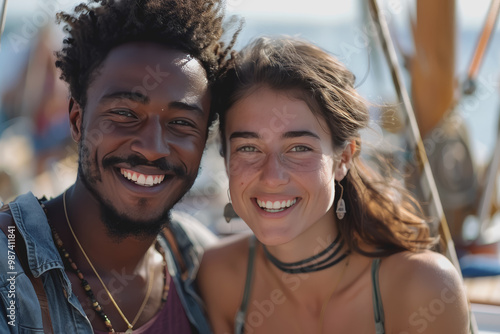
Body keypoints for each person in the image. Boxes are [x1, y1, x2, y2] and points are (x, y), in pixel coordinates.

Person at [198, 37, 470, 334]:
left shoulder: (422, 288)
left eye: (299, 148)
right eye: (248, 148)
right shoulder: (219, 276)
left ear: (344, 158)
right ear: (225, 157)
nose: (272, 176)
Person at [0, 0, 239, 333]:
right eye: (125, 114)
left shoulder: (196, 259)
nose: (153, 149)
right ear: (77, 120)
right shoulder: (7, 265)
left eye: (182, 122)